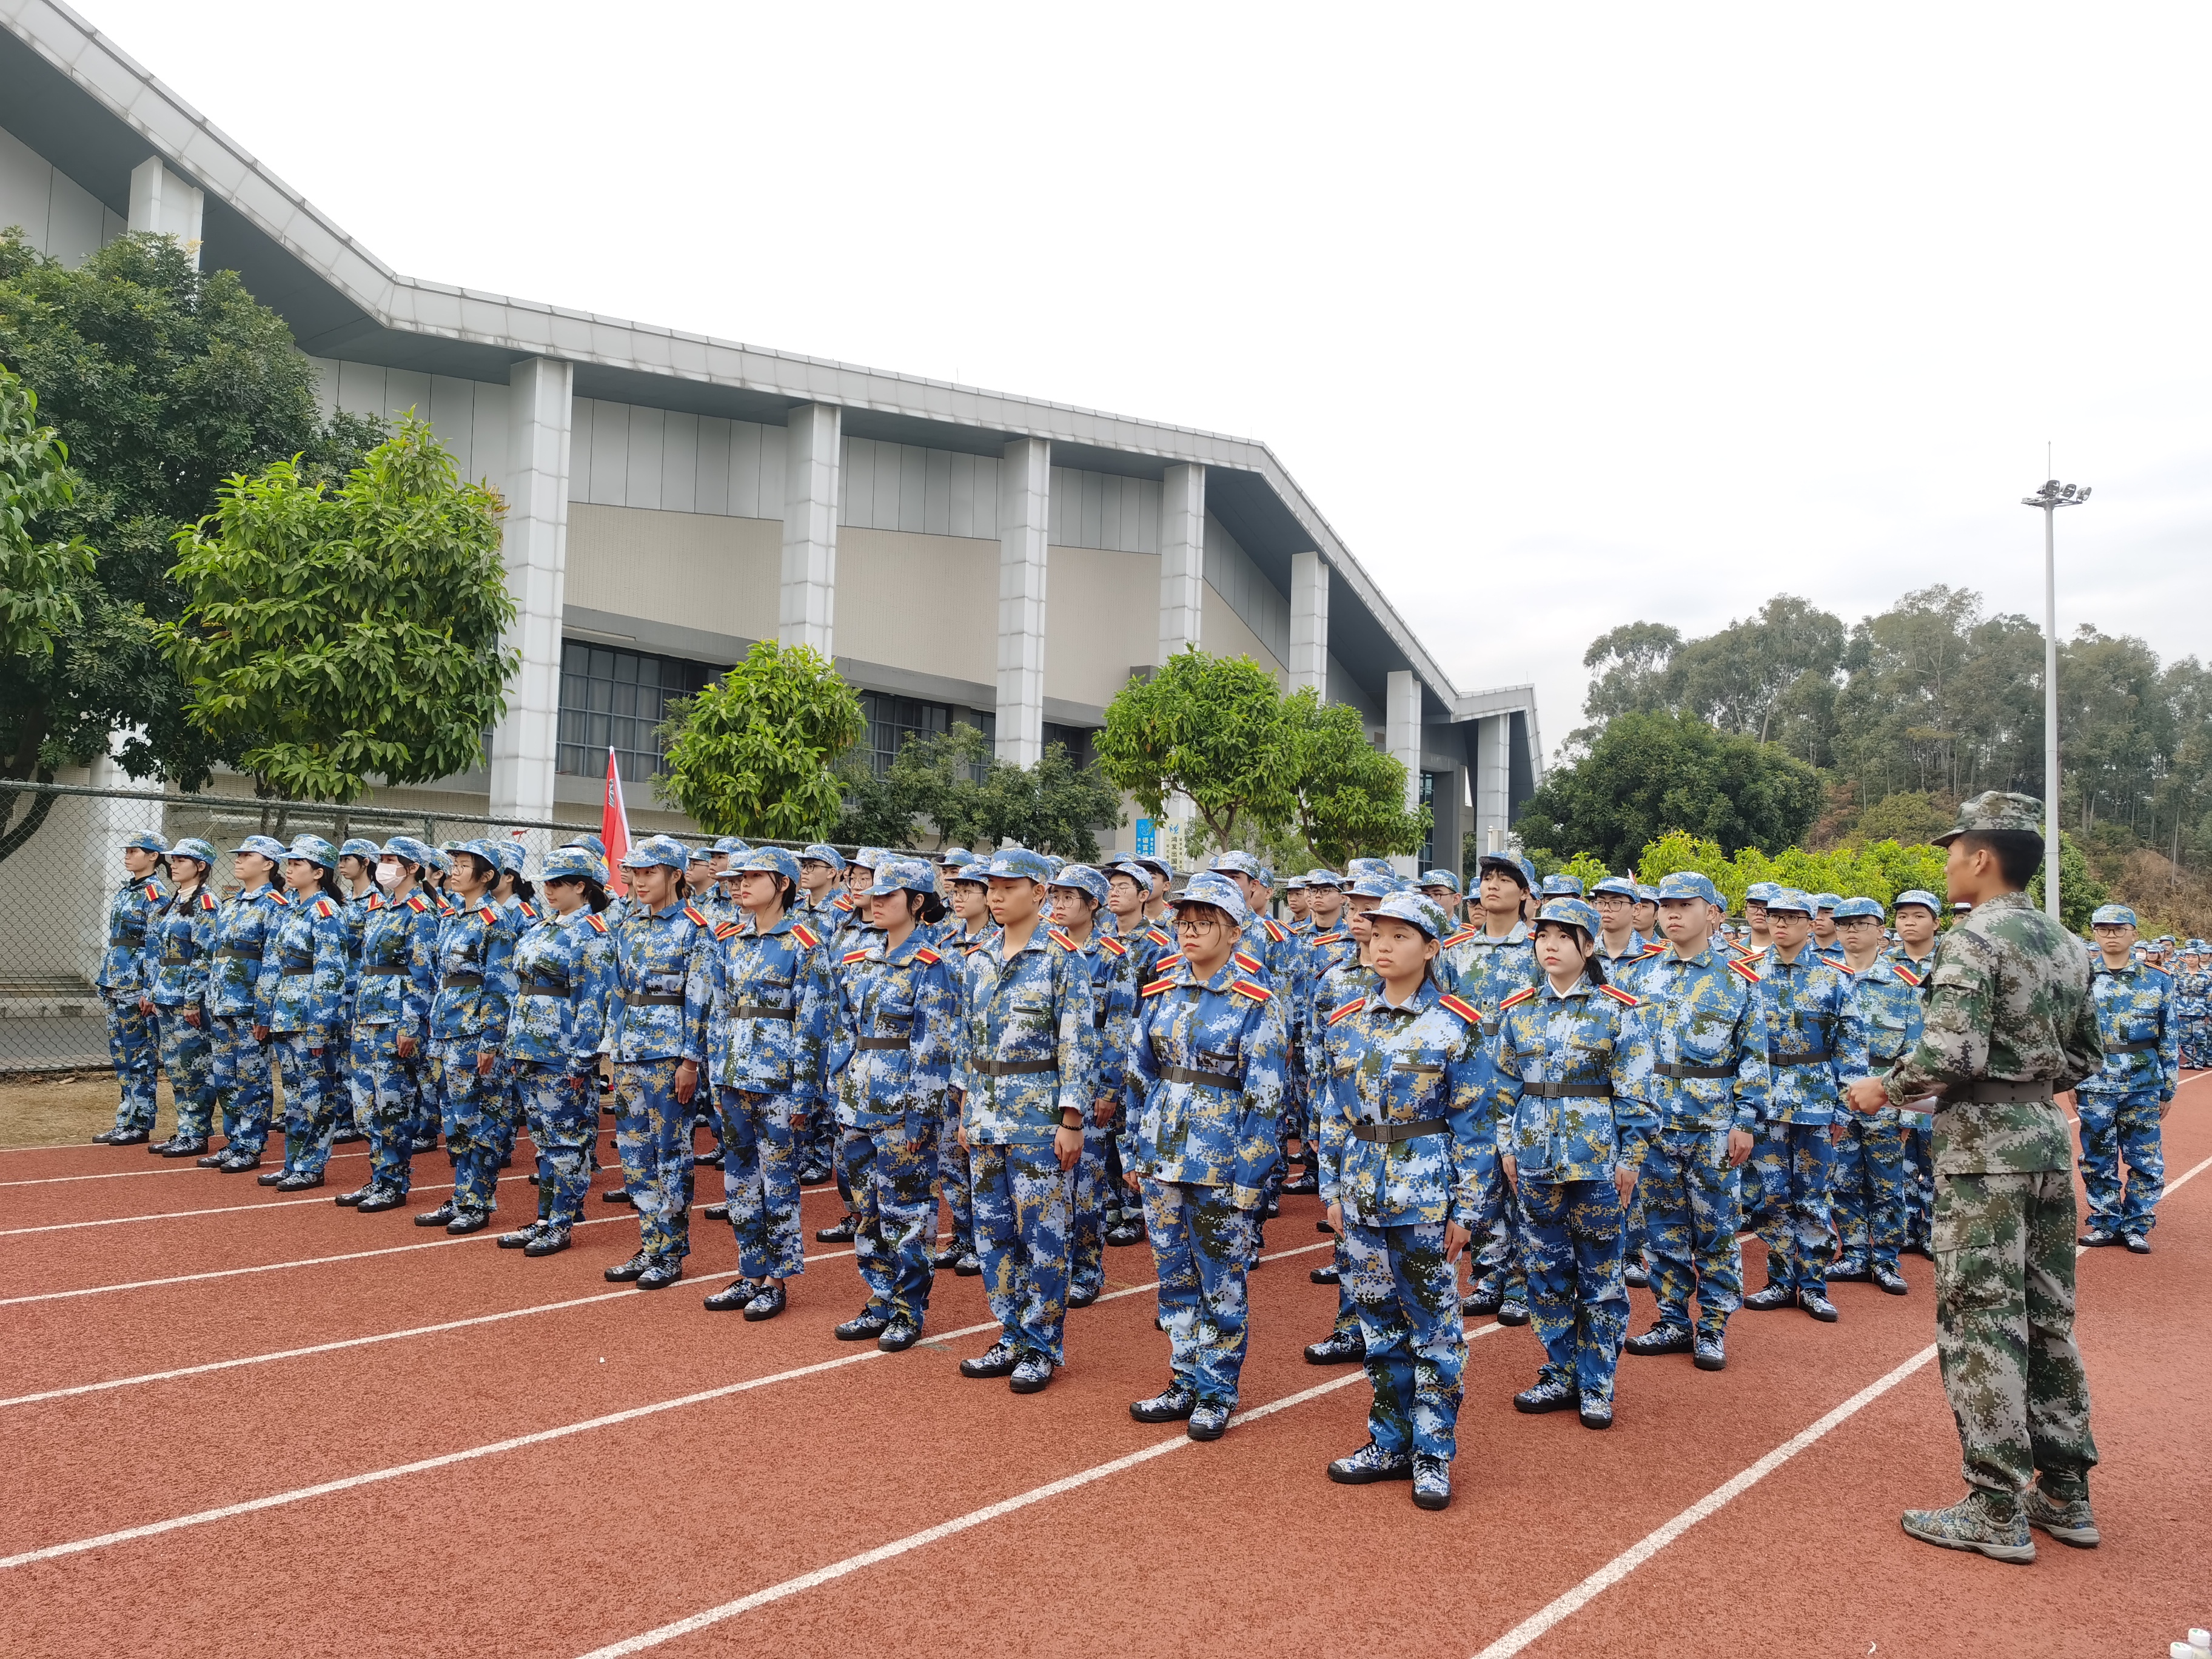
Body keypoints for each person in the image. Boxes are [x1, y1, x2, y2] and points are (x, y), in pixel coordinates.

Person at [1843, 791, 2103, 1563]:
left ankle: (1995, 1507)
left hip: (1984, 1155)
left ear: (1982, 858)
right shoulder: (2067, 943)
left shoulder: (1973, 939)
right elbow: (2086, 1057)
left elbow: (1951, 1053)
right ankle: (2065, 1492)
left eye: (1954, 851)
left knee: (1982, 1321)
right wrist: (2028, 1081)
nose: (1949, 864)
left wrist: (1884, 1089)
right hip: (2045, 1141)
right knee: (2048, 1320)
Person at [1318, 891, 1485, 1512]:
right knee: (1379, 1327)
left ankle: (1433, 1454)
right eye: (1377, 935)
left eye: (1400, 936)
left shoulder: (1456, 1025)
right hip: (1361, 1195)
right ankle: (1389, 1442)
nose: (1382, 946)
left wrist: (1466, 1211)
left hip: (1426, 1200)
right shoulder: (1347, 1022)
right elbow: (1332, 1116)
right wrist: (1332, 1191)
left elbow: (1475, 1127)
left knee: (1435, 1331)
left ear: (1432, 948)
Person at [1119, 872, 1287, 1439]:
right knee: (1174, 1276)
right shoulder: (1161, 992)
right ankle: (1184, 1376)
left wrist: (1251, 1177)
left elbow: (1266, 1100)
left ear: (1235, 931)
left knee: (1221, 1280)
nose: (1189, 932)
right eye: (1184, 922)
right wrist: (1132, 1150)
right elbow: (1139, 1076)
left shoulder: (1256, 1003)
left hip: (1221, 1162)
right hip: (1162, 1156)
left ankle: (1216, 1390)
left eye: (1204, 923)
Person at [1489, 897, 1655, 1430]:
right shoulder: (1518, 1012)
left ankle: (1598, 1382)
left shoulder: (1618, 1011)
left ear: (1588, 946)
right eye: (1543, 936)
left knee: (1601, 1276)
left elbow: (1637, 1093)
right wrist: (1507, 1147)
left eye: (1564, 936)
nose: (1551, 945)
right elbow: (1504, 1088)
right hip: (1535, 1162)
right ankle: (1561, 1372)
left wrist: (1631, 1158)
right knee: (1546, 1273)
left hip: (1597, 1165)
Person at [950, 846, 1099, 1395]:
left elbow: (1077, 1043)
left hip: (1038, 1118)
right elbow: (967, 1040)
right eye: (991, 886)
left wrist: (1071, 1120)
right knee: (992, 1233)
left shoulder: (1063, 958)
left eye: (1008, 886)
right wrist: (965, 1109)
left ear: (1039, 893)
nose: (995, 895)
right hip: (986, 1115)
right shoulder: (978, 958)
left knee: (1044, 1235)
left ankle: (1041, 1344)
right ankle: (1010, 1332)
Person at [1620, 871, 1768, 1373]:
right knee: (1662, 1230)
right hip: (1655, 1124)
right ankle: (1672, 1319)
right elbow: (1625, 1054)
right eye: (1666, 905)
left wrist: (1746, 1119)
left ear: (1712, 913)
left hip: (1713, 1125)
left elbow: (1754, 1056)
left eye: (1685, 905)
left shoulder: (1738, 979)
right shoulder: (1639, 975)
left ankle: (1713, 1326)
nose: (1673, 914)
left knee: (1716, 1230)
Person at [825, 858, 959, 1348]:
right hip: (857, 1103)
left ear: (917, 902)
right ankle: (880, 1297)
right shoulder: (859, 959)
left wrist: (921, 1115)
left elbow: (934, 1048)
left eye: (888, 896)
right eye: (874, 895)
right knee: (867, 1210)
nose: (876, 903)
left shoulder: (932, 966)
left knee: (907, 1213)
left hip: (902, 1110)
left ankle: (908, 1308)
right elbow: (843, 1030)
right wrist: (839, 1086)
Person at [697, 846, 830, 1319]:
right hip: (733, 1077)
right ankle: (750, 1271)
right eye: (738, 878)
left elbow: (814, 1025)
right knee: (739, 1181)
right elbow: (718, 1011)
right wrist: (716, 1073)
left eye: (754, 877)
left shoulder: (804, 944)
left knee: (778, 1183)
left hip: (779, 1082)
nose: (740, 885)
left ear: (784, 884)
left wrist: (805, 1093)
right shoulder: (729, 939)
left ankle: (777, 1280)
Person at [1742, 888, 1868, 1324]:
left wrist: (1846, 1108)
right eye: (1775, 916)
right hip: (1765, 1101)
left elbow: (1851, 1049)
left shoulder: (1835, 978)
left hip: (1816, 1102)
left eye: (1792, 917)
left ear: (1812, 923)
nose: (1780, 924)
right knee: (1771, 1196)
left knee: (1813, 1197)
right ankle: (1779, 1280)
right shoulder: (1749, 974)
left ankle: (1813, 1285)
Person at [600, 835, 714, 1289]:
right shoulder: (629, 927)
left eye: (650, 873)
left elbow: (700, 1000)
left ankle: (671, 1250)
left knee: (671, 1154)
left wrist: (691, 1061)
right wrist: (612, 1048)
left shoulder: (694, 929)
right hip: (630, 1053)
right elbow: (618, 992)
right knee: (634, 1154)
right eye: (636, 873)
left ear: (675, 875)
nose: (639, 881)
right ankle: (650, 1243)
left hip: (669, 1056)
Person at [497, 846, 617, 1257]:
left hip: (561, 1049)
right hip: (528, 1045)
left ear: (581, 886)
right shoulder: (543, 927)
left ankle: (561, 1222)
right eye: (546, 882)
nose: (547, 890)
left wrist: (583, 1057)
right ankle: (545, 1218)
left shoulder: (592, 933)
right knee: (544, 1140)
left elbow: (593, 1000)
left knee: (565, 1140)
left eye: (557, 883)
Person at [1441, 851, 1539, 1325]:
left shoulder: (1539, 950)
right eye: (1486, 878)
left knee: (1523, 1185)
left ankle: (1521, 1282)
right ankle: (1489, 1276)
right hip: (1469, 1087)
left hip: (1521, 1088)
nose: (1492, 885)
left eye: (1504, 879)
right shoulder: (1456, 952)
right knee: (1477, 1183)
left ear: (1525, 893)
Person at [413, 839, 520, 1235]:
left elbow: (500, 986)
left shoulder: (495, 922)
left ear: (487, 875)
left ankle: (478, 1201)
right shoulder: (453, 915)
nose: (454, 871)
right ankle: (462, 1195)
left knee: (480, 1121)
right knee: (456, 1122)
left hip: (474, 1034)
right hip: (447, 1030)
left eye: (463, 865)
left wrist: (491, 1040)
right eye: (453, 864)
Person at [338, 836, 443, 1212]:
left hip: (395, 1019)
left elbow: (423, 976)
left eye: (391, 860)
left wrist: (411, 1026)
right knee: (365, 1104)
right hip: (367, 1016)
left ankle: (393, 1182)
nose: (383, 865)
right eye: (381, 858)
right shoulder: (380, 908)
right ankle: (377, 1176)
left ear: (413, 868)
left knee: (393, 1104)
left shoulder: (421, 913)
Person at [1050, 864, 1137, 1310]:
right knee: (1050, 1186)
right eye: (1056, 896)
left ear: (1093, 904)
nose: (1059, 905)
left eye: (1070, 897)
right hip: (1051, 1083)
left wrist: (1108, 1089)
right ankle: (1053, 1269)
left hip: (1092, 1086)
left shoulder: (1112, 956)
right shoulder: (1047, 950)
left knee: (1086, 1187)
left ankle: (1086, 1270)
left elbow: (1120, 1027)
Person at [2076, 903, 2176, 1253]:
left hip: (2143, 1083)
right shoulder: (2081, 978)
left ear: (2134, 934)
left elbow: (2169, 1037)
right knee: (2097, 1158)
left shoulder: (2158, 979)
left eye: (2119, 929)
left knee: (2144, 1158)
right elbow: (2072, 1035)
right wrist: (2073, 1081)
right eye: (2103, 929)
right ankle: (2105, 1221)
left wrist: (2168, 1088)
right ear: (2095, 933)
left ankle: (2137, 1224)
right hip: (2095, 1083)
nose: (2111, 935)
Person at [255, 836, 352, 1193]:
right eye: (289, 863)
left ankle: (312, 1166)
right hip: (285, 1012)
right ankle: (294, 1162)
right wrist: (264, 1012)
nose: (289, 869)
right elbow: (273, 966)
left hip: (310, 1016)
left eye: (298, 864)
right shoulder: (291, 909)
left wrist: (319, 1026)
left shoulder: (325, 912)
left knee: (316, 1095)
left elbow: (331, 973)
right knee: (295, 1095)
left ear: (318, 872)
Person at [1829, 896, 1915, 1295]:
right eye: (1844, 924)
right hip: (1840, 1097)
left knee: (1887, 1184)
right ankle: (1854, 1253)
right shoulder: (1826, 978)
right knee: (1842, 1180)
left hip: (1886, 1098)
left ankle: (1885, 1260)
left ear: (1881, 931)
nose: (1851, 931)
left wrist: (1910, 1114)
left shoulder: (1904, 983)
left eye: (1861, 924)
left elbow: (1915, 1053)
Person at [193, 835, 289, 1172]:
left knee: (252, 1079)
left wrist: (264, 1011)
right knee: (225, 1078)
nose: (238, 859)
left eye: (248, 855)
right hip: (222, 1004)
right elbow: (214, 955)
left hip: (250, 1007)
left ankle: (250, 1145)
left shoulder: (276, 905)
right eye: (239, 855)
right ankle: (233, 1140)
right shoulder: (231, 904)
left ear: (268, 864)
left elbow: (274, 963)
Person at [141, 838, 223, 1158]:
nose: (173, 865)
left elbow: (204, 955)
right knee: (176, 1067)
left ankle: (197, 1132)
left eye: (181, 860)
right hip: (166, 994)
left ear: (200, 866)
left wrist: (192, 1000)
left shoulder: (206, 903)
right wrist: (152, 991)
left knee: (194, 1067)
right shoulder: (176, 901)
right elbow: (160, 952)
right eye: (172, 860)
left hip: (187, 997)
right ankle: (186, 1128)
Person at [90, 831, 170, 1146]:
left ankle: (140, 1122)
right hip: (115, 980)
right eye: (127, 850)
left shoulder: (155, 894)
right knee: (122, 1056)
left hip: (135, 985)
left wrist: (149, 989)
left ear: (153, 856)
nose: (127, 855)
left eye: (135, 851)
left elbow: (155, 946)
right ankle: (125, 1117)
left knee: (140, 1056)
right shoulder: (127, 890)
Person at [1888, 890, 1943, 1256]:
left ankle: (1936, 1231)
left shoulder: (1951, 965)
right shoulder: (1883, 967)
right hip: (1896, 1081)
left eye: (1919, 916)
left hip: (1938, 1080)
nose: (1909, 922)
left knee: (1939, 1162)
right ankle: (1906, 1229)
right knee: (1900, 1164)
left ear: (1936, 923)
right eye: (1903, 916)